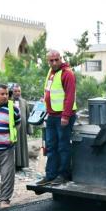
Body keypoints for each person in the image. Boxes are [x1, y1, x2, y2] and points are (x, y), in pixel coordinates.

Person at [35, 50, 77, 186]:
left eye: (56, 60)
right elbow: (49, 91)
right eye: (51, 60)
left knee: (63, 146)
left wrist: (65, 116)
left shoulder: (67, 73)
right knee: (51, 146)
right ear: (48, 61)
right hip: (52, 115)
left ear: (61, 59)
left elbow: (70, 97)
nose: (54, 62)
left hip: (63, 116)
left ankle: (63, 175)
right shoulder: (51, 72)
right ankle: (51, 175)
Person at [10, 83, 32, 171]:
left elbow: (27, 115)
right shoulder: (8, 101)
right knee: (13, 146)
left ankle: (21, 164)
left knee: (22, 146)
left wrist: (29, 129)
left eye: (19, 91)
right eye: (15, 91)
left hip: (22, 128)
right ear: (12, 91)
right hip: (13, 128)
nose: (17, 93)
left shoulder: (24, 102)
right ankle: (12, 165)